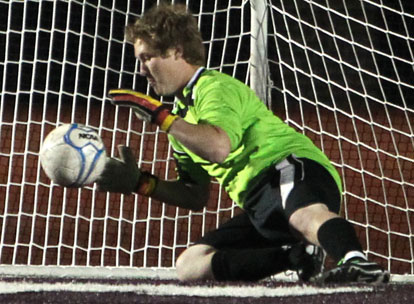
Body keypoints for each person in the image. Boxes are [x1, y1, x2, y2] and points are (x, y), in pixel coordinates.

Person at [97, 3, 390, 284]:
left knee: (303, 216)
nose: (141, 71)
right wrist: (142, 183)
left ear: (177, 51)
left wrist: (161, 117)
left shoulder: (212, 88)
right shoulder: (179, 119)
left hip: (286, 167)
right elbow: (195, 194)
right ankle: (298, 256)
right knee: (191, 264)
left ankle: (355, 261)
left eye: (147, 58)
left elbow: (218, 148)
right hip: (259, 201)